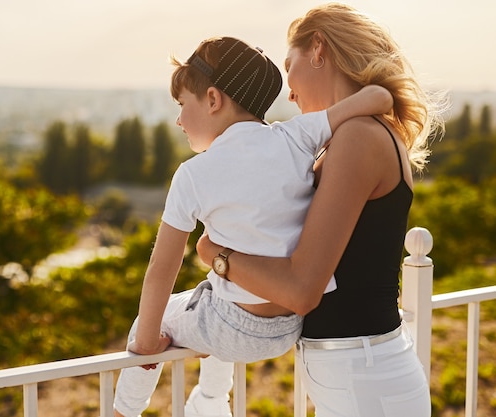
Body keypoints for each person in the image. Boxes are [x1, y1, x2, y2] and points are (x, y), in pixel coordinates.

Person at [113, 35, 393, 417]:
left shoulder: (193, 175)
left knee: (154, 319)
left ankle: (123, 411)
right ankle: (210, 402)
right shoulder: (297, 135)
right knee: (212, 292)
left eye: (182, 105)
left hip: (233, 327)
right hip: (290, 326)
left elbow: (161, 271)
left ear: (213, 99)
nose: (178, 119)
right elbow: (380, 97)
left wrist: (147, 344)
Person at [195, 4, 447, 417]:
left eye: (288, 66)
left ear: (318, 49)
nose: (288, 91)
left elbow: (302, 289)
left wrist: (216, 256)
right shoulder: (355, 134)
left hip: (364, 383)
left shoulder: (359, 137)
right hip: (357, 376)